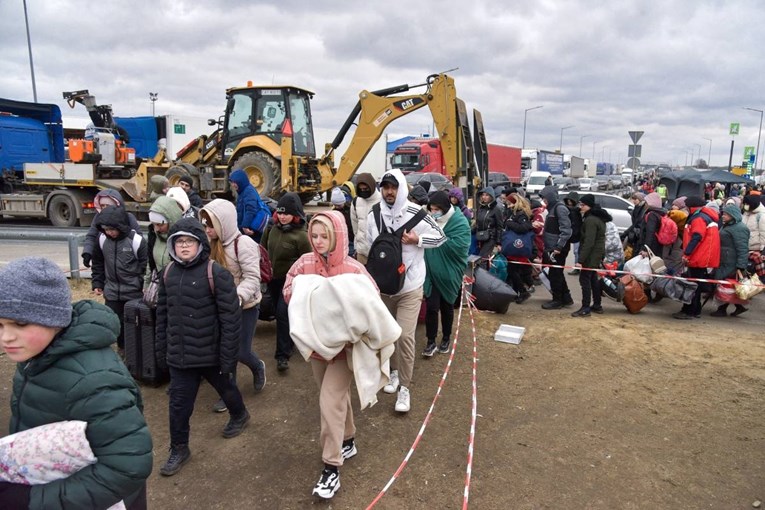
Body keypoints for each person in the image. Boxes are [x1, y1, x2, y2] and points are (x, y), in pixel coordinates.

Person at [0, 257, 153, 509]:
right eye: (0, 324)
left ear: (54, 318)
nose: (7, 337)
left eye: (20, 323)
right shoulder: (35, 355)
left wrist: (32, 501)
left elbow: (128, 466)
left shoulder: (94, 380)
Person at [284, 211, 398, 499]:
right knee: (334, 398)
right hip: (318, 348)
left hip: (345, 350)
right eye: (314, 235)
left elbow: (371, 301)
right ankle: (348, 439)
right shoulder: (304, 263)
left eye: (325, 236)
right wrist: (307, 293)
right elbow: (289, 291)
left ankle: (331, 468)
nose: (318, 241)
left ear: (337, 236)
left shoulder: (353, 269)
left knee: (329, 400)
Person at [156, 218, 249, 477]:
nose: (184, 246)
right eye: (179, 241)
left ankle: (240, 415)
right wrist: (161, 350)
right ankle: (179, 448)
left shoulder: (216, 273)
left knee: (227, 389)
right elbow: (162, 315)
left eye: (189, 241)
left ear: (200, 243)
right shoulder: (167, 273)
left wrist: (228, 358)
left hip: (211, 353)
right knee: (178, 405)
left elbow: (230, 319)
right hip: (180, 357)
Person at [368, 169, 446, 413]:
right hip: (385, 286)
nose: (389, 192)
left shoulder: (417, 214)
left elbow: (441, 237)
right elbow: (372, 246)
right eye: (385, 187)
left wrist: (418, 241)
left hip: (411, 286)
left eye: (393, 187)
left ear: (402, 188)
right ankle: (392, 373)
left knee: (405, 336)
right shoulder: (375, 214)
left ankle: (405, 387)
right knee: (387, 334)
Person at [201, 199, 267, 414]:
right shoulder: (208, 244)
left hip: (245, 305)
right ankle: (228, 393)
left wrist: (237, 297)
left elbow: (252, 277)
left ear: (224, 223)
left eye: (211, 225)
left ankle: (257, 366)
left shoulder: (244, 244)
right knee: (224, 351)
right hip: (219, 308)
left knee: (240, 351)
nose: (207, 230)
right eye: (205, 225)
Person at [261, 192, 312, 372]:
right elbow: (263, 250)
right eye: (280, 213)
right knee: (280, 313)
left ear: (295, 214)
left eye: (286, 213)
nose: (282, 216)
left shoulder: (302, 236)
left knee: (282, 313)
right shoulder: (271, 228)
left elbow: (308, 262)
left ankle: (282, 355)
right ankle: (290, 341)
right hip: (273, 280)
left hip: (291, 282)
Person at [91, 205, 148, 355]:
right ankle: (122, 350)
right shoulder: (102, 239)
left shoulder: (136, 241)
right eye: (106, 229)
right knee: (116, 325)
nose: (109, 232)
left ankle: (137, 353)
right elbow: (97, 262)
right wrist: (97, 282)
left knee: (134, 326)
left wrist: (141, 284)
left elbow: (145, 266)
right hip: (112, 292)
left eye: (112, 229)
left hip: (133, 293)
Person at [421, 191, 470, 356]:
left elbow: (461, 245)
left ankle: (446, 338)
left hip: (449, 272)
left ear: (444, 208)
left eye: (436, 209)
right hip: (431, 273)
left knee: (447, 306)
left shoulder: (459, 221)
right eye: (431, 209)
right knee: (432, 307)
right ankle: (430, 341)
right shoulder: (429, 221)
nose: (433, 212)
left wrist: (436, 241)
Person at [673, 196, 720, 320]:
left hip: (697, 257)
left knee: (692, 286)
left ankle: (690, 311)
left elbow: (697, 237)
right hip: (703, 257)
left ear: (691, 207)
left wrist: (687, 254)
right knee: (696, 285)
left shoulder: (698, 218)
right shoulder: (706, 217)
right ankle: (695, 310)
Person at [81, 189, 142, 269]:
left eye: (108, 205)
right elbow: (91, 236)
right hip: (105, 260)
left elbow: (139, 239)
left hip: (126, 261)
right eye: (102, 206)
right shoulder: (98, 218)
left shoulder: (128, 217)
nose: (105, 208)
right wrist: (87, 252)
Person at [572, 194, 611, 317]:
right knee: (593, 279)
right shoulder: (596, 217)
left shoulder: (591, 220)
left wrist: (580, 260)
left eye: (583, 205)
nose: (581, 207)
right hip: (596, 254)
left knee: (585, 280)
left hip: (591, 255)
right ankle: (597, 305)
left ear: (589, 205)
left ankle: (585, 308)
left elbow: (589, 242)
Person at [711, 204, 750, 317]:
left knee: (725, 285)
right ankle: (739, 307)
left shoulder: (740, 228)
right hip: (725, 260)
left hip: (731, 262)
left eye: (726, 214)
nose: (723, 216)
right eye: (723, 214)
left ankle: (722, 309)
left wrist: (741, 266)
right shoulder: (728, 225)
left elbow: (743, 248)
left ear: (733, 215)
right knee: (728, 286)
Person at [539, 186, 574, 309]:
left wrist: (558, 247)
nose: (544, 201)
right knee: (557, 273)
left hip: (558, 248)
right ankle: (566, 298)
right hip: (553, 247)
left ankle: (557, 300)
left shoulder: (559, 209)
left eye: (545, 198)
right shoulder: (553, 209)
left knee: (555, 274)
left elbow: (566, 230)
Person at [145, 196, 184, 289]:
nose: (157, 229)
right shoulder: (153, 237)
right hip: (159, 288)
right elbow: (150, 264)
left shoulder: (183, 239)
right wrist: (146, 284)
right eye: (154, 224)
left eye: (160, 224)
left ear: (171, 220)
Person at [503, 194, 535, 303]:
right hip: (515, 247)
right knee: (514, 270)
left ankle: (523, 291)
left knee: (513, 271)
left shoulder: (521, 214)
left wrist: (510, 223)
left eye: (510, 203)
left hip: (518, 247)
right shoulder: (513, 213)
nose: (508, 205)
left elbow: (523, 228)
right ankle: (517, 293)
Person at [229, 169, 271, 243]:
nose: (233, 185)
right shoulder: (243, 191)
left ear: (240, 181)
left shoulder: (248, 191)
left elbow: (250, 209)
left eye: (235, 182)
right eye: (232, 183)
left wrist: (245, 226)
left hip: (252, 228)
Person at [350, 172, 381, 265]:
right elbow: (355, 226)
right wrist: (357, 246)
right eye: (361, 189)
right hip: (362, 252)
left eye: (366, 189)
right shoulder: (356, 202)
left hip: (379, 252)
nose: (363, 191)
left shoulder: (382, 200)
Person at [473, 186, 504, 267]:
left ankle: (482, 277)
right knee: (482, 258)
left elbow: (500, 226)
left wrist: (498, 242)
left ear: (491, 196)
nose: (484, 197)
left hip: (491, 238)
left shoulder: (496, 209)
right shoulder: (481, 208)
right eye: (483, 195)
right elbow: (478, 223)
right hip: (481, 237)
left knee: (482, 258)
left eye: (487, 195)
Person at [331, 187, 355, 256]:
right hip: (340, 239)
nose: (337, 207)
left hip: (350, 238)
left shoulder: (351, 210)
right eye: (335, 205)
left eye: (339, 205)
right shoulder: (334, 212)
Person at [563, 192, 582, 275]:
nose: (569, 202)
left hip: (577, 234)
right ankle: (577, 268)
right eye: (568, 200)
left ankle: (577, 268)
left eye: (571, 200)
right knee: (576, 252)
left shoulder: (579, 210)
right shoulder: (567, 209)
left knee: (577, 252)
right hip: (571, 233)